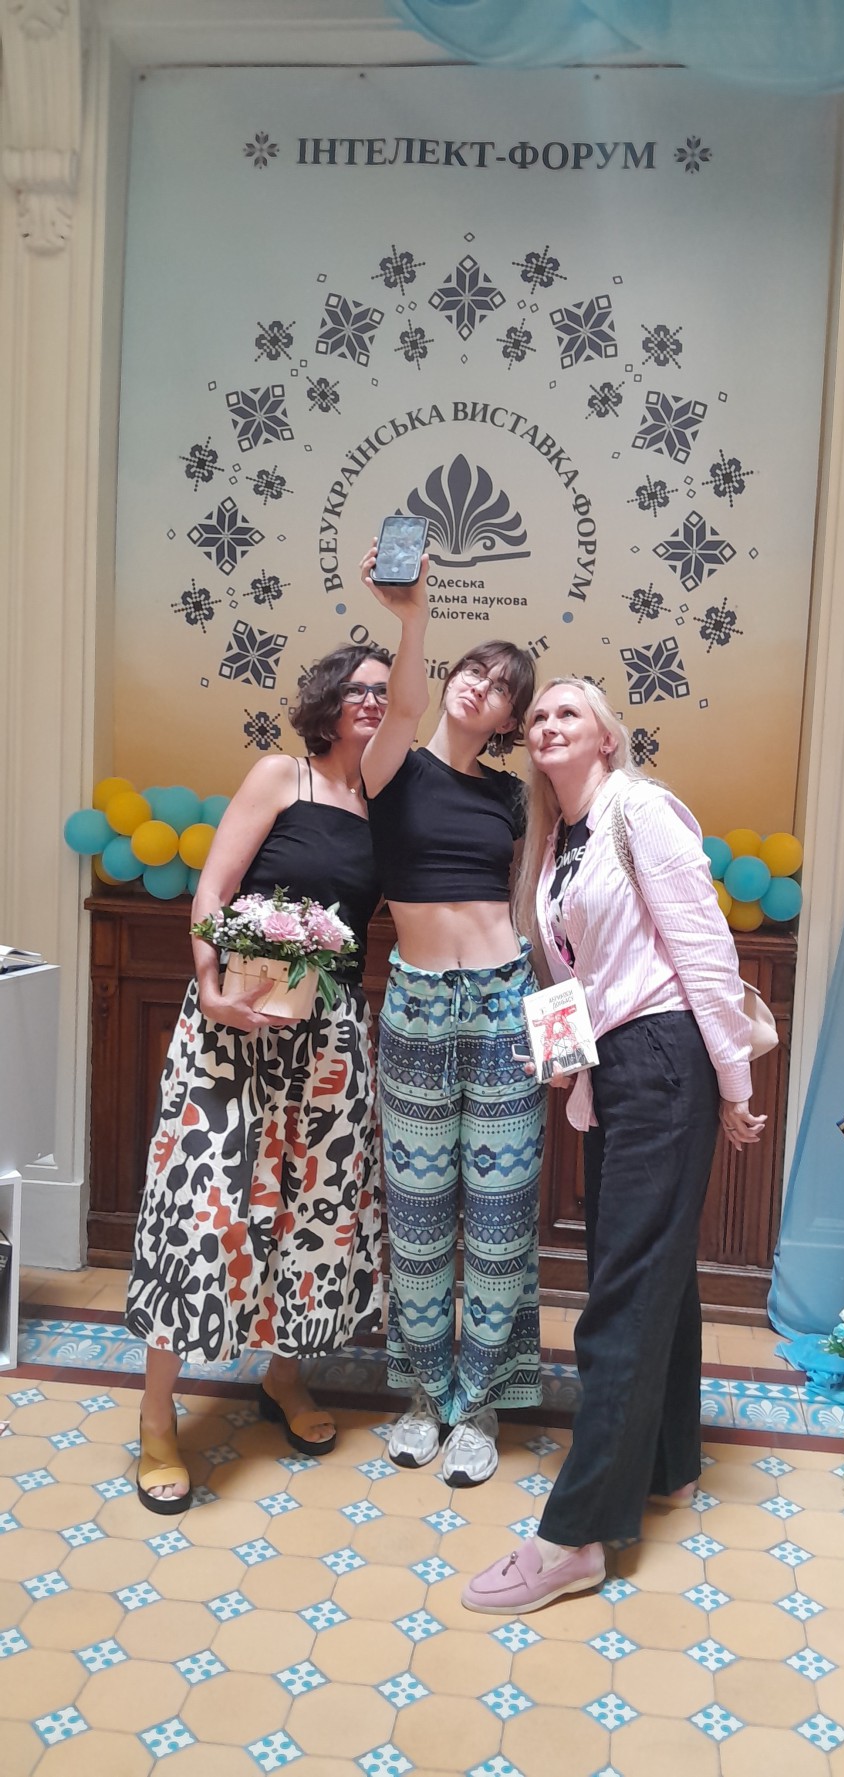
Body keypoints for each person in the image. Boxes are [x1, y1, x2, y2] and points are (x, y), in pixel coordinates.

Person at [462, 677, 765, 1609]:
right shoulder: (558, 842)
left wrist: (735, 1084)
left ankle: (574, 1537)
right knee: (647, 1269)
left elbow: (704, 949)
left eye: (570, 712)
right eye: (539, 715)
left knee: (621, 1293)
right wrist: (562, 1062)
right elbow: (575, 971)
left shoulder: (641, 812)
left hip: (667, 1056)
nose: (549, 723)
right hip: (621, 1064)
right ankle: (669, 1463)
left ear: (606, 738)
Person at [125, 643, 391, 1513]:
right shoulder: (282, 775)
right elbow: (215, 887)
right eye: (356, 687)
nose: (371, 700)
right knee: (204, 1212)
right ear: (327, 699)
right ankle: (156, 1415)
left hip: (330, 1038)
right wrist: (210, 984)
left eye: (384, 690)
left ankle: (282, 1373)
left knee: (312, 1212)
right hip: (232, 1028)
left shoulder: (385, 805)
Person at [359, 540, 545, 1487]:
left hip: (506, 1005)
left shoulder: (512, 796)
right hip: (419, 1010)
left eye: (502, 685)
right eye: (475, 669)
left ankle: (479, 1406)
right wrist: (414, 617)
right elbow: (399, 704)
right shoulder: (394, 766)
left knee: (502, 1224)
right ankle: (426, 1396)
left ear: (511, 719)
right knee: (421, 1219)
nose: (482, 686)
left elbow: (538, 904)